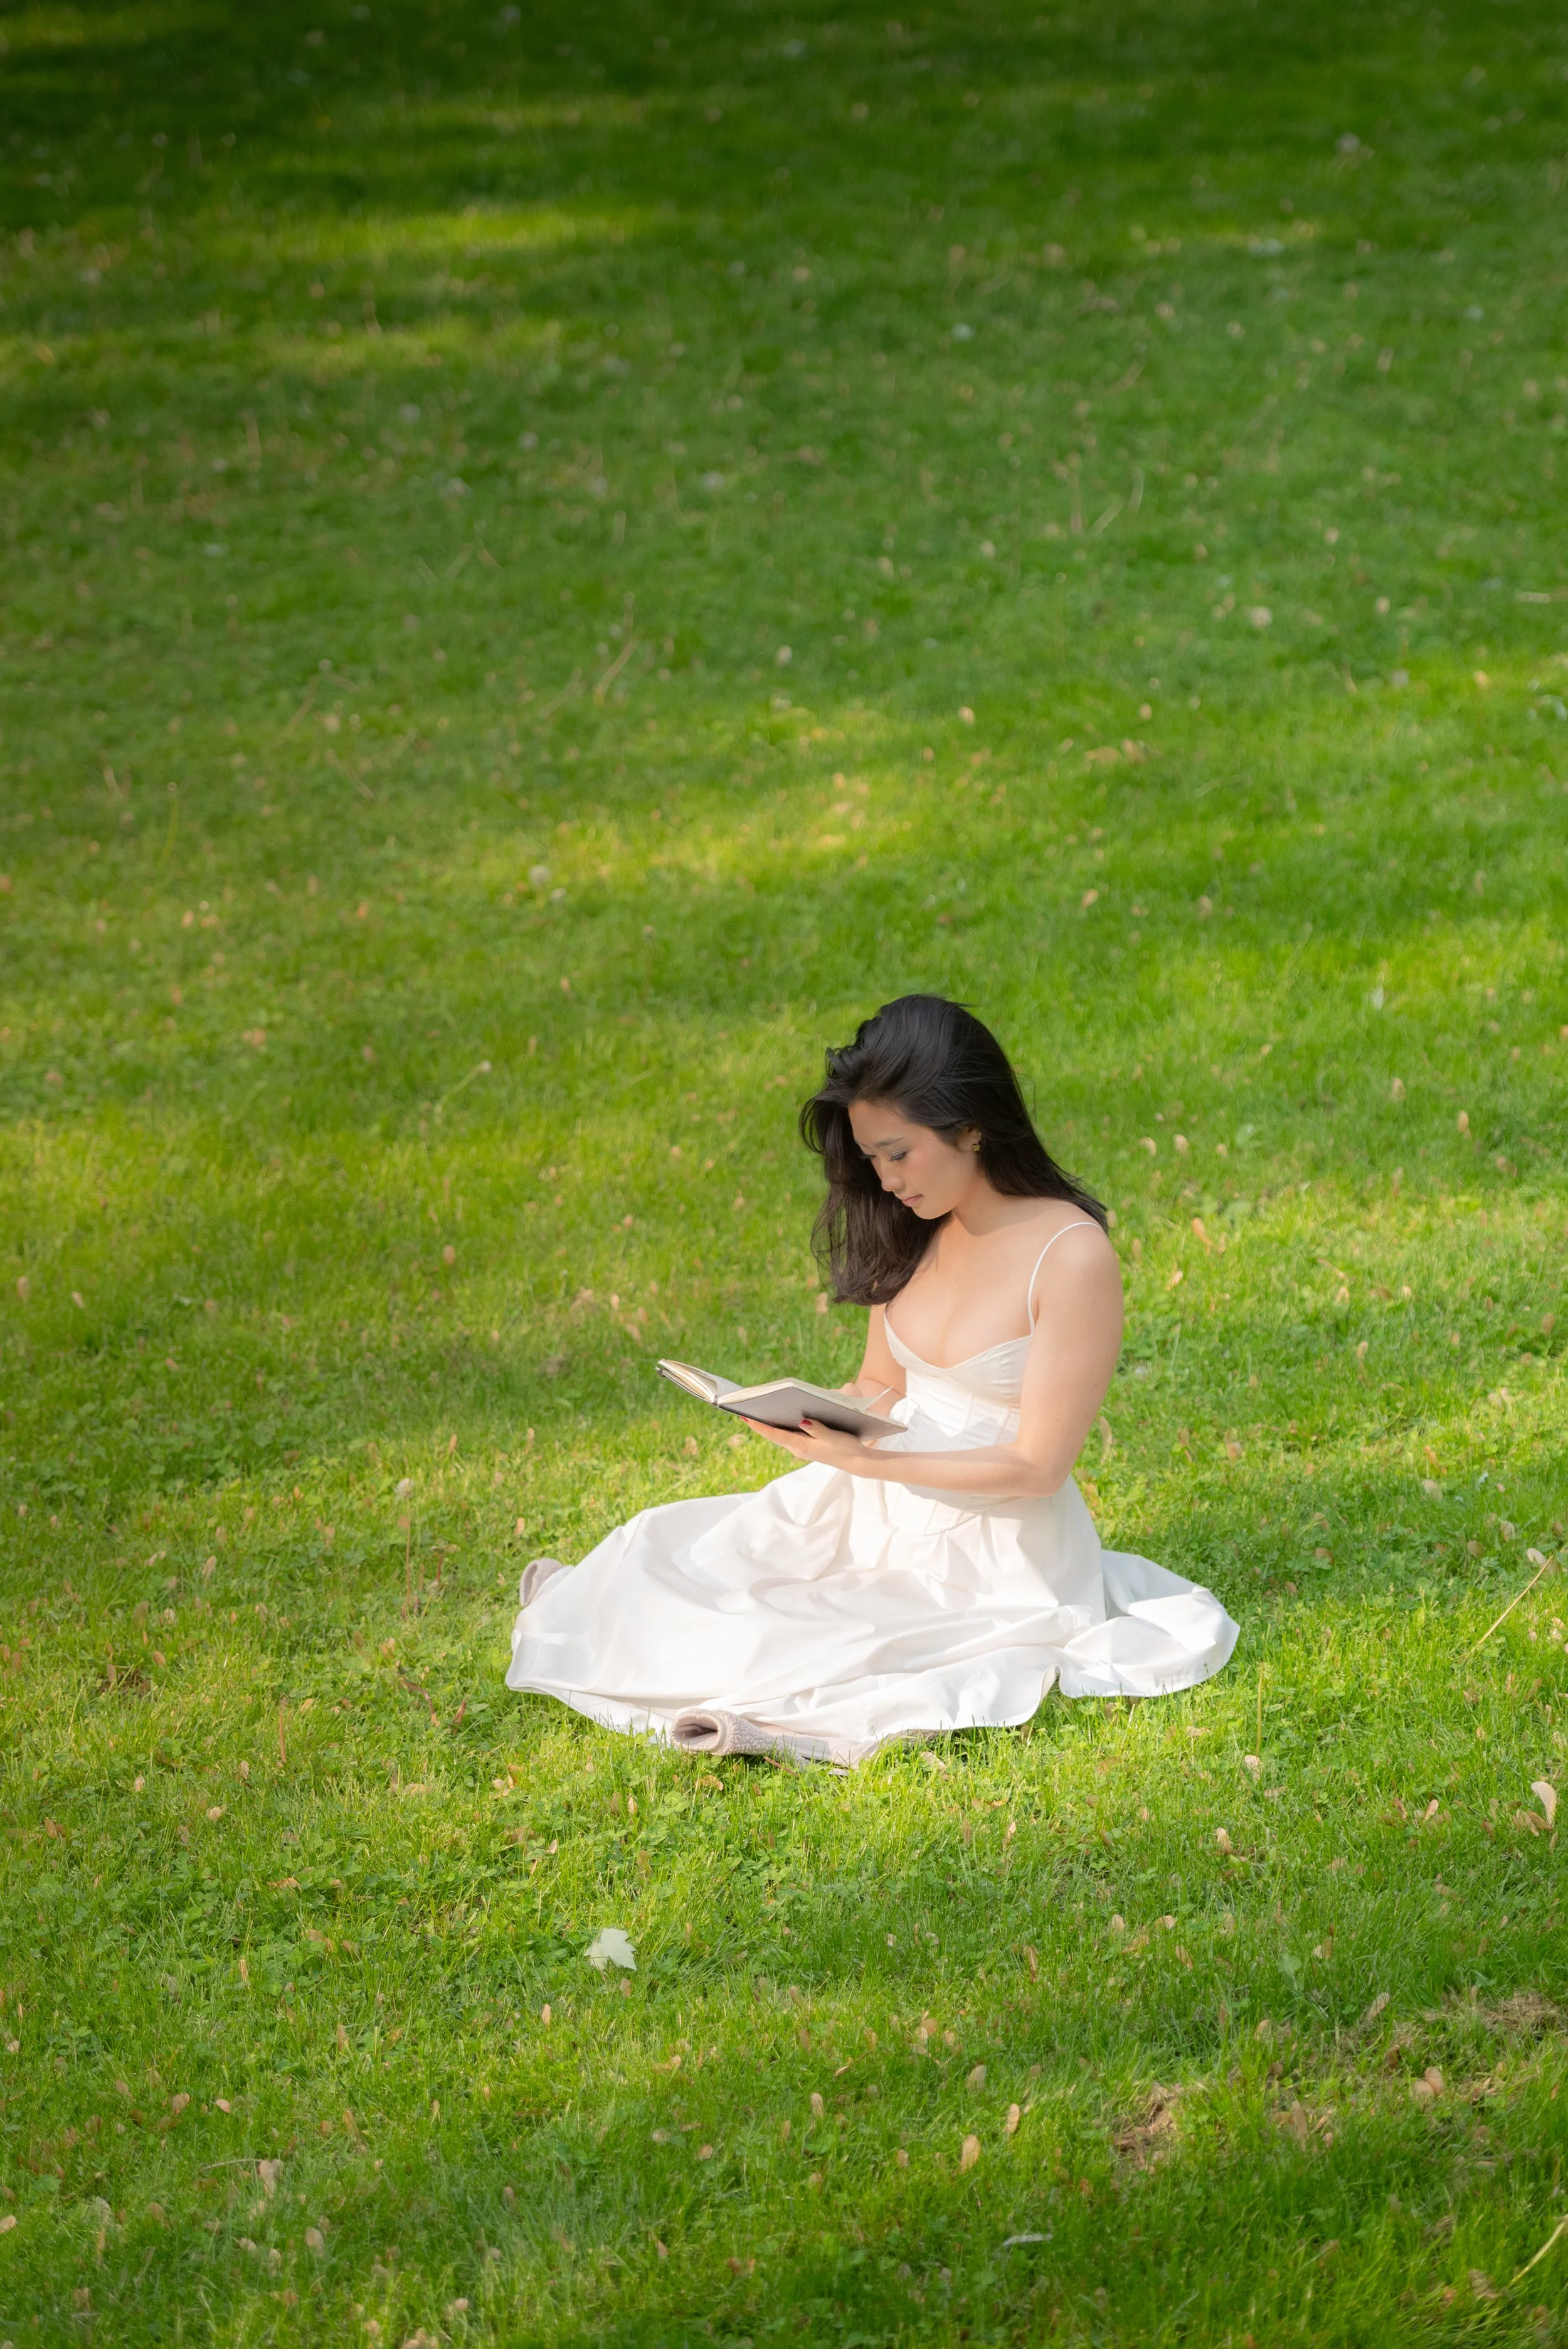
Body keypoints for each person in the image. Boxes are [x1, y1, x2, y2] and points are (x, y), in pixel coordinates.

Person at [506, 995, 1238, 1761]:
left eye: (898, 1153)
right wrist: (816, 1417)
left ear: (971, 1125)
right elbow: (880, 1384)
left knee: (812, 1643)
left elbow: (1036, 1467)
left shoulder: (1070, 1254)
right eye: (869, 1158)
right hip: (875, 1495)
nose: (884, 1180)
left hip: (995, 1548)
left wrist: (873, 1461)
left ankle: (768, 1724)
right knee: (663, 1555)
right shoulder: (912, 1226)